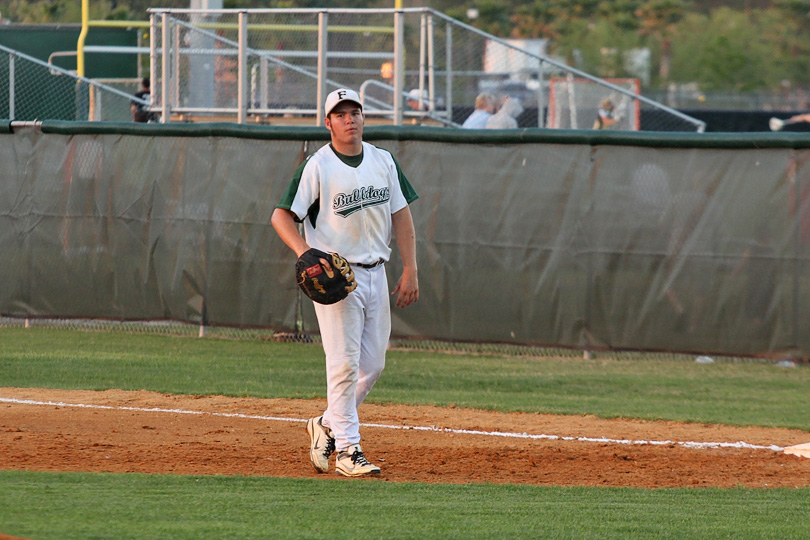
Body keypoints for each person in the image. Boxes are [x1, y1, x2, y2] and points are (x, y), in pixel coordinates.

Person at [270, 88, 420, 477]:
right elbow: (282, 216)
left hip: (377, 271)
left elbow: (401, 215)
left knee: (373, 364)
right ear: (328, 123)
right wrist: (305, 253)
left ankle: (326, 424)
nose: (349, 119)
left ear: (363, 118)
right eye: (340, 114)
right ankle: (348, 451)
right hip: (337, 278)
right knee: (343, 365)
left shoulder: (383, 160)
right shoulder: (318, 165)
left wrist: (410, 268)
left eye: (355, 112)